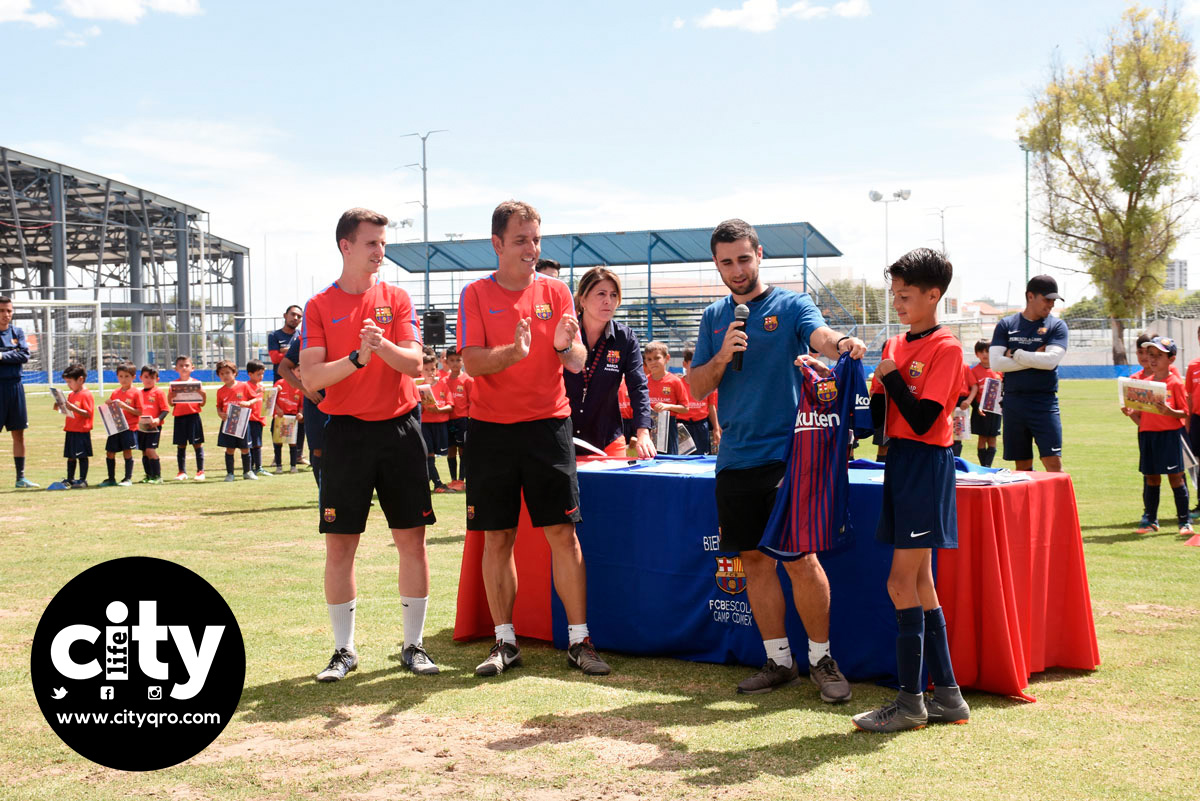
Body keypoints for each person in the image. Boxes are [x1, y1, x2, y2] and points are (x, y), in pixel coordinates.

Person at [687, 218, 863, 700]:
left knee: (800, 560)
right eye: (727, 262)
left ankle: (822, 660)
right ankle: (778, 660)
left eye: (744, 258)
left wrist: (841, 344)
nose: (737, 269)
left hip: (788, 458)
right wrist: (722, 355)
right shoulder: (713, 317)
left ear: (759, 255)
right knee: (752, 562)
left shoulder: (790, 304)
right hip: (735, 459)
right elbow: (698, 387)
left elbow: (820, 337)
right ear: (717, 265)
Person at [458, 199, 609, 678]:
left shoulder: (557, 291)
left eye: (536, 239)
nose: (531, 248)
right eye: (521, 239)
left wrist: (566, 345)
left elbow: (578, 360)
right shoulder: (475, 294)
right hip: (490, 431)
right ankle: (504, 643)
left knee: (562, 535)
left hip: (549, 427)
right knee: (496, 537)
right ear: (498, 243)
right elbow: (473, 362)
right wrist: (514, 353)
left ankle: (579, 640)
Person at [300, 207, 439, 680]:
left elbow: (415, 364)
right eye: (372, 244)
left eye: (383, 244)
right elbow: (313, 376)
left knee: (412, 542)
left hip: (400, 430)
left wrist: (381, 347)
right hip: (344, 435)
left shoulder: (397, 298)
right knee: (341, 546)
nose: (381, 252)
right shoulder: (319, 305)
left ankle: (414, 646)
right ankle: (344, 651)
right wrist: (357, 359)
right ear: (346, 246)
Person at [852, 248, 970, 733]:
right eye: (894, 296)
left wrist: (892, 377)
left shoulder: (948, 348)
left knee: (901, 583)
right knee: (921, 585)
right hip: (899, 462)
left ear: (932, 295)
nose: (897, 304)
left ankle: (909, 704)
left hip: (927, 462)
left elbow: (925, 420)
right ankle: (948, 697)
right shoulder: (894, 344)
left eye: (905, 296)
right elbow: (881, 422)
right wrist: (854, 387)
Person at [563, 266, 654, 459]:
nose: (608, 301)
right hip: (563, 437)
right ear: (583, 299)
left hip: (607, 439)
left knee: (614, 488)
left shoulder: (625, 338)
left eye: (614, 295)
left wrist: (643, 431)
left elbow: (638, 386)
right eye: (601, 294)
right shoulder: (565, 332)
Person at [990, 275, 1068, 472]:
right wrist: (1034, 358)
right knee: (1022, 466)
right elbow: (996, 363)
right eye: (1047, 299)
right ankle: (1027, 504)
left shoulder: (1057, 326)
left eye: (1053, 300)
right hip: (1013, 402)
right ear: (1030, 296)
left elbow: (1050, 361)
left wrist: (1016, 354)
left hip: (1044, 402)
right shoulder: (1006, 325)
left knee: (1052, 462)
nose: (1051, 305)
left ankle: (1056, 504)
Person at [1122, 336, 1193, 537]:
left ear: (1171, 359)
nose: (1152, 359)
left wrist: (1170, 412)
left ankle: (1184, 521)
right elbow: (1140, 414)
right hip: (1148, 436)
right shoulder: (1143, 383)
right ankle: (1151, 520)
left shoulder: (1176, 383)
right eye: (1150, 355)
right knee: (1151, 478)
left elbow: (1185, 412)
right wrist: (1130, 412)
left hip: (1170, 436)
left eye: (1158, 356)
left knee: (1175, 479)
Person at [0, 295, 37, 487]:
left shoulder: (18, 331)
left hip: (15, 386)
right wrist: (11, 353)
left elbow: (24, 355)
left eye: (9, 311)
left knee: (19, 433)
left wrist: (1, 354)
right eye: (2, 311)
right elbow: (17, 354)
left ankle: (20, 477)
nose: (6, 314)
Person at [279, 334, 325, 487]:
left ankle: (353, 492)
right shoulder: (305, 338)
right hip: (316, 402)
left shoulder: (344, 331)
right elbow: (283, 368)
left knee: (348, 448)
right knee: (318, 450)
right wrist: (306, 390)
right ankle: (324, 495)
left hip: (345, 400)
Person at [99, 362, 142, 487]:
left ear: (133, 377)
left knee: (127, 452)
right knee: (110, 452)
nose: (123, 379)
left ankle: (127, 478)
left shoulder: (136, 393)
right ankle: (111, 478)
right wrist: (108, 404)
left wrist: (124, 406)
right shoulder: (115, 392)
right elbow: (112, 410)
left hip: (129, 427)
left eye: (127, 376)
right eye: (121, 376)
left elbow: (139, 412)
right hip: (116, 427)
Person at [55, 363, 94, 489]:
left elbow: (88, 413)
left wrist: (74, 408)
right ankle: (70, 478)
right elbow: (69, 411)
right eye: (67, 382)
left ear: (80, 379)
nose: (68, 385)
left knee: (82, 456)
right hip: (71, 429)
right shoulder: (72, 395)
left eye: (70, 381)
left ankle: (82, 479)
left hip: (81, 431)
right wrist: (59, 406)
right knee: (71, 456)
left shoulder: (86, 394)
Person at [644, 341, 687, 454]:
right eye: (649, 359)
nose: (652, 362)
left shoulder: (675, 381)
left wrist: (667, 406)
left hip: (668, 427)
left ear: (667, 358)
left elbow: (685, 408)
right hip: (648, 426)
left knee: (670, 462)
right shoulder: (644, 382)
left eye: (656, 358)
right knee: (649, 462)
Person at [214, 359, 254, 481]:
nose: (225, 376)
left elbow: (256, 399)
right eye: (222, 374)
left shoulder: (244, 386)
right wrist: (220, 414)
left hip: (242, 422)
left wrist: (248, 402)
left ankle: (247, 471)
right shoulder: (220, 391)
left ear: (234, 373)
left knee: (245, 448)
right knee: (230, 449)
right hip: (228, 423)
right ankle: (230, 473)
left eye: (227, 372)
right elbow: (219, 406)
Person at [419, 354, 453, 493]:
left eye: (432, 369)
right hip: (425, 425)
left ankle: (427, 482)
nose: (430, 372)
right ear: (421, 370)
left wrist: (439, 409)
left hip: (440, 425)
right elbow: (416, 409)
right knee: (429, 455)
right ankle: (438, 484)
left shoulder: (443, 385)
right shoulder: (419, 387)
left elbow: (451, 405)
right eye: (426, 369)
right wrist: (423, 406)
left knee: (438, 454)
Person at [170, 355, 207, 481]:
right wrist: (172, 395)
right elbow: (171, 403)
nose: (184, 368)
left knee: (197, 444)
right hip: (179, 417)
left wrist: (203, 394)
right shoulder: (174, 384)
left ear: (192, 368)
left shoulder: (197, 383)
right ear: (176, 369)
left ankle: (200, 471)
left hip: (193, 417)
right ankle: (181, 472)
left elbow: (202, 403)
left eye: (186, 365)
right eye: (181, 366)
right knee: (181, 446)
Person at [681, 346, 720, 456]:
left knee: (701, 458)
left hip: (701, 426)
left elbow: (711, 407)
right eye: (693, 363)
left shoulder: (708, 385)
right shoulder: (678, 383)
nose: (696, 367)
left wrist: (716, 428)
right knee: (681, 459)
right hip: (682, 427)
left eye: (700, 364)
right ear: (685, 364)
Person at [443, 348, 472, 491]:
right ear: (446, 362)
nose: (455, 363)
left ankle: (462, 480)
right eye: (452, 360)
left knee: (463, 450)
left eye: (458, 360)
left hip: (462, 420)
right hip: (447, 419)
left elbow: (472, 401)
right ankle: (453, 480)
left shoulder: (467, 380)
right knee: (451, 450)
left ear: (463, 361)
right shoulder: (443, 381)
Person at [969, 341, 1001, 467]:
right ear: (976, 354)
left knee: (993, 437)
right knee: (982, 437)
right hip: (980, 410)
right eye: (981, 352)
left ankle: (988, 465)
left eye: (987, 351)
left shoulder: (999, 370)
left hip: (995, 410)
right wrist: (977, 407)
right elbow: (972, 390)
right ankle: (983, 465)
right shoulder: (974, 371)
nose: (985, 354)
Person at [137, 365, 169, 483]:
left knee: (150, 450)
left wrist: (158, 419)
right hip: (141, 426)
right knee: (144, 451)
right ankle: (148, 475)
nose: (149, 380)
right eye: (146, 377)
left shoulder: (158, 393)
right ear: (141, 378)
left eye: (152, 377)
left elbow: (165, 410)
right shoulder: (139, 393)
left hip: (154, 427)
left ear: (157, 379)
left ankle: (157, 476)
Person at [243, 360, 271, 477]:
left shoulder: (261, 386)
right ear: (250, 374)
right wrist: (256, 392)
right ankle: (255, 467)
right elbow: (246, 401)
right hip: (250, 419)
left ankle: (256, 467)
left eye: (262, 374)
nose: (261, 376)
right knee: (253, 444)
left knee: (257, 443)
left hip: (259, 419)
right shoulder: (246, 386)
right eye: (258, 374)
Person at [273, 368, 304, 473]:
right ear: (291, 371)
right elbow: (271, 399)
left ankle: (293, 466)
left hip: (292, 418)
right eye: (298, 370)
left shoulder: (301, 386)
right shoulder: (280, 383)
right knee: (278, 442)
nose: (301, 373)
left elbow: (301, 404)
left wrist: (300, 413)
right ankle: (278, 466)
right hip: (280, 417)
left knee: (293, 443)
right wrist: (277, 409)